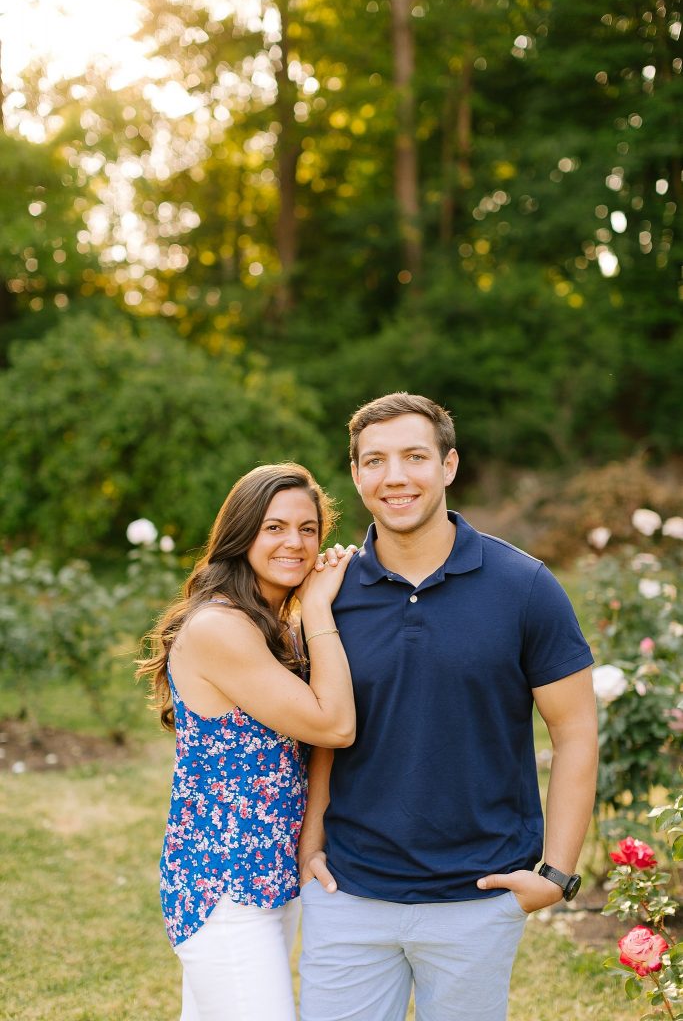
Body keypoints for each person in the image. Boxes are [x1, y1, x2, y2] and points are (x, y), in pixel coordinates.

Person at [298, 393, 599, 1021]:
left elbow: (574, 731)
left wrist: (557, 873)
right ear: (356, 475)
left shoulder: (524, 587)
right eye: (375, 461)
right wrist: (311, 849)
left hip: (478, 898)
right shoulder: (327, 592)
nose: (395, 477)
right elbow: (317, 731)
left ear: (449, 465)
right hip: (349, 894)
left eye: (414, 456)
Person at [136, 463, 356, 1021]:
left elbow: (315, 743)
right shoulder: (221, 627)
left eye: (309, 529)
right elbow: (334, 724)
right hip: (223, 886)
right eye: (274, 527)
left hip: (271, 876)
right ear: (241, 534)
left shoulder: (273, 625)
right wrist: (321, 609)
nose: (296, 543)